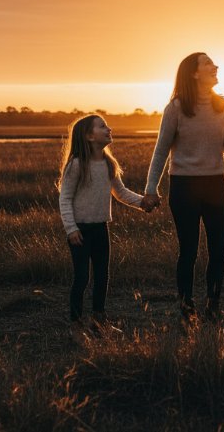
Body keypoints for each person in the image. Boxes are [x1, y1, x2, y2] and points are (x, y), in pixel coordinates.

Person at [144, 53, 224, 326]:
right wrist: (151, 188)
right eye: (208, 63)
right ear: (194, 73)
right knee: (188, 250)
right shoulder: (175, 107)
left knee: (218, 249)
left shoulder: (222, 105)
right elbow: (161, 150)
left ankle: (214, 308)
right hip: (184, 186)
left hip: (215, 185)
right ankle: (187, 310)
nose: (215, 66)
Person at [58, 114, 154, 337]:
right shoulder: (76, 165)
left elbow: (120, 193)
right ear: (89, 136)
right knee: (82, 277)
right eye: (102, 127)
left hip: (101, 228)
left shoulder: (108, 164)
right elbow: (65, 198)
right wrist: (71, 229)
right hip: (80, 231)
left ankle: (99, 321)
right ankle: (76, 323)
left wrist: (143, 203)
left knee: (102, 276)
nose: (109, 129)